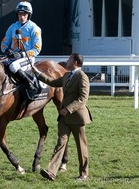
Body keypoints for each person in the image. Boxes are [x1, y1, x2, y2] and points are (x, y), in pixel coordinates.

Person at [32, 53, 92, 181]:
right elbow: (51, 82)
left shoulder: (82, 77)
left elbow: (83, 98)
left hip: (77, 117)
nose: (67, 61)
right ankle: (51, 172)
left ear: (75, 62)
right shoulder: (66, 75)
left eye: (69, 59)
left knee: (81, 146)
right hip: (64, 118)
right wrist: (37, 73)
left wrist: (68, 109)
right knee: (60, 143)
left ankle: (84, 174)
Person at [1, 1, 42, 96]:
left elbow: (37, 49)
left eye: (24, 14)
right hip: (12, 57)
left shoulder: (34, 28)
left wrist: (22, 54)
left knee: (13, 66)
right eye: (20, 14)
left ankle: (30, 86)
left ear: (28, 15)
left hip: (27, 59)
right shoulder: (12, 27)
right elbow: (4, 43)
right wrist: (7, 50)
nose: (22, 17)